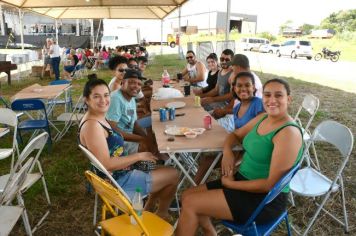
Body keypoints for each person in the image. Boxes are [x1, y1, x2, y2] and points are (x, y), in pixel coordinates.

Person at [176, 78, 304, 236]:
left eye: (278, 95)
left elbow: (269, 185)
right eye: (267, 95)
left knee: (191, 203)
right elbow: (235, 135)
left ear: (288, 99)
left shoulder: (288, 133)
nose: (272, 100)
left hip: (263, 201)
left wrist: (230, 184)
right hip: (242, 180)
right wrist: (228, 152)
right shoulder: (263, 118)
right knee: (187, 195)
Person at [78, 78, 178, 219]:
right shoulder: (92, 126)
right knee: (173, 174)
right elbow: (106, 164)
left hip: (121, 173)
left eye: (106, 95)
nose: (103, 100)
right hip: (118, 183)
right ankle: (161, 213)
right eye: (96, 96)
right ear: (86, 100)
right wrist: (139, 156)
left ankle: (147, 209)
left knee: (161, 167)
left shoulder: (97, 117)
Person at [193, 71, 264, 184]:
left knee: (219, 167)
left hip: (252, 153)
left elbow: (261, 133)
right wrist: (229, 151)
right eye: (239, 85)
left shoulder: (259, 104)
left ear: (254, 87)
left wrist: (233, 155)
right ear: (234, 88)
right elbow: (237, 134)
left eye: (247, 85)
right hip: (240, 147)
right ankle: (194, 191)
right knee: (206, 161)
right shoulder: (237, 108)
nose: (243, 89)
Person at [214, 54, 263, 132]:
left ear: (238, 67)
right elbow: (236, 100)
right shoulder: (243, 78)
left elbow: (247, 111)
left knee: (213, 128)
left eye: (233, 67)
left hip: (243, 121)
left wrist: (224, 111)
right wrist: (224, 110)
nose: (232, 69)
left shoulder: (252, 82)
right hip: (234, 114)